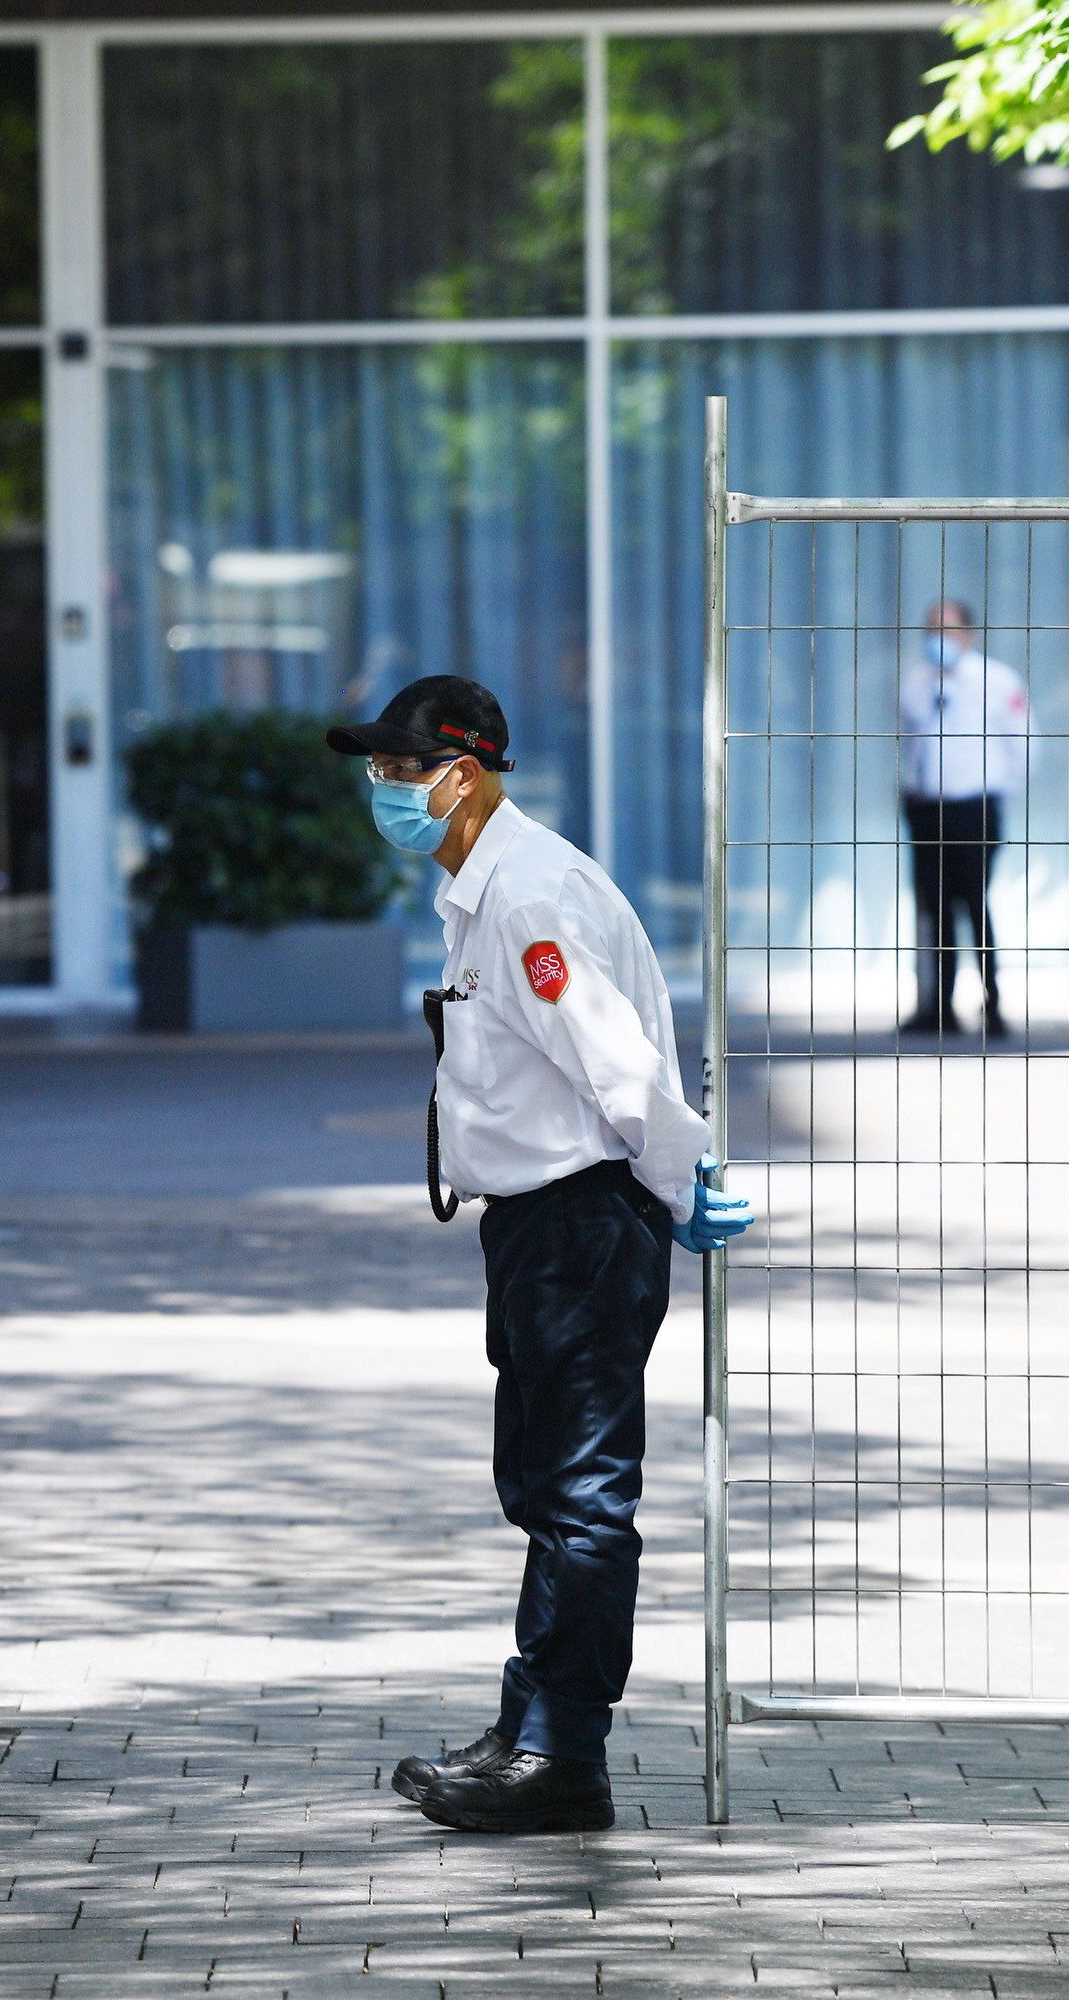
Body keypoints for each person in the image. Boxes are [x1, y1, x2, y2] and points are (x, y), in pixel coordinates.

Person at [326, 675, 755, 1835]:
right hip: (541, 1225)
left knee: (579, 1493)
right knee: (542, 1483)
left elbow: (617, 1063)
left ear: (461, 776)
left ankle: (565, 1755)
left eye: (398, 772)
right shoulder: (490, 888)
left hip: (581, 1221)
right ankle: (528, 1725)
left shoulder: (525, 897)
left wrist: (679, 1182)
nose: (383, 791)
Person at [898, 600, 1033, 1038]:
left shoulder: (996, 680)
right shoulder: (916, 684)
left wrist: (993, 789)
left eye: (947, 630)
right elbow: (909, 745)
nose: (938, 640)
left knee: (975, 905)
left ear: (968, 635)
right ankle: (937, 1006)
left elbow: (1024, 745)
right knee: (933, 911)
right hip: (926, 810)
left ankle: (992, 1003)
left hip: (974, 809)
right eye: (931, 629)